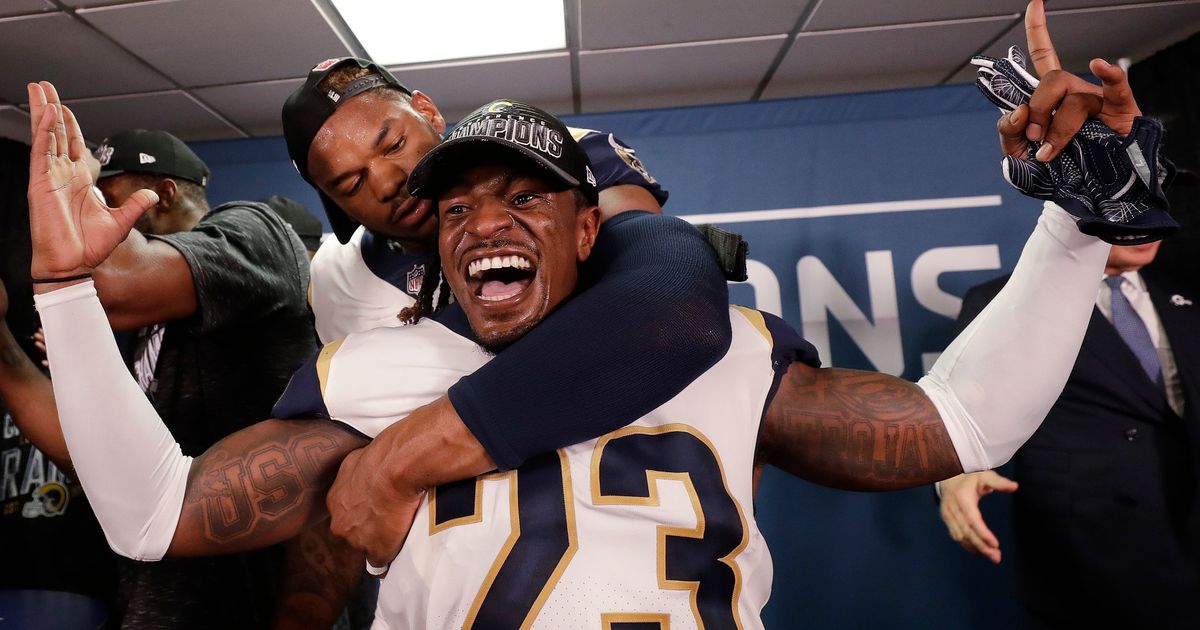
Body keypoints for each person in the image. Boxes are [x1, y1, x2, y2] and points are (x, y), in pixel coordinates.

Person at [28, 21, 1142, 618]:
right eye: (452, 207)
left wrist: (1075, 232)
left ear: (590, 225)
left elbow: (962, 423)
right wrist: (68, 297)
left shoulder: (714, 342)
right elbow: (153, 517)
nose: (474, 224)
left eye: (522, 199)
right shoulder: (368, 369)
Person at [2, 90, 318, 628]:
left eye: (106, 195)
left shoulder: (259, 232)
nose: (89, 212)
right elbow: (99, 460)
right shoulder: (147, 329)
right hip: (154, 597)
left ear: (165, 195)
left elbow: (114, 281)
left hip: (250, 602)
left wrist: (62, 256)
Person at [937, 239, 1199, 628]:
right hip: (1092, 558)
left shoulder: (1186, 291)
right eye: (1128, 203)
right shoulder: (1002, 302)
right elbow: (960, 415)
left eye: (1157, 198)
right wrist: (956, 477)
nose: (1150, 219)